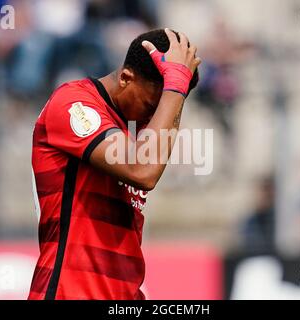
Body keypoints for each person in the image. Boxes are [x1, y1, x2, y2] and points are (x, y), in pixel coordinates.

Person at [29, 28, 200, 300]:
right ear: (125, 78)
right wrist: (174, 89)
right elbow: (141, 170)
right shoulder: (74, 104)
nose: (156, 119)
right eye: (150, 106)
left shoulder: (130, 129)